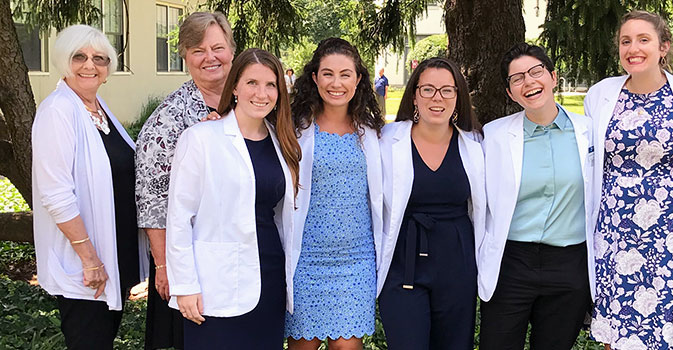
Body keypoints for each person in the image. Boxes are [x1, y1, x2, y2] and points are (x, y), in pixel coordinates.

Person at [582, 10, 673, 350]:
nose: (633, 48)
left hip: (670, 229)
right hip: (615, 230)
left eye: (643, 40)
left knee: (660, 323)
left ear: (663, 47)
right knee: (617, 327)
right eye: (626, 41)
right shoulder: (601, 94)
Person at [166, 48, 301, 349]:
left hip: (269, 277)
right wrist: (185, 286)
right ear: (235, 87)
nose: (261, 93)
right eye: (252, 82)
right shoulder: (201, 138)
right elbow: (178, 218)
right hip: (215, 284)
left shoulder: (281, 141)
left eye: (270, 85)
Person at [31, 24, 146, 350]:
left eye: (99, 58)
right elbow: (55, 195)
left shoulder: (98, 109)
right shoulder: (58, 111)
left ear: (108, 68)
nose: (89, 65)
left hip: (112, 257)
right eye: (79, 56)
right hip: (86, 266)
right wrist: (90, 259)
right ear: (64, 62)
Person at [478, 42, 594, 350]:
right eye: (517, 78)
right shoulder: (494, 136)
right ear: (510, 93)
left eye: (536, 72)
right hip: (511, 262)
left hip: (569, 265)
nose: (528, 82)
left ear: (553, 77)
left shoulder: (590, 132)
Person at [134, 12, 235, 350]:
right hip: (187, 261)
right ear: (185, 57)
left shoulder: (253, 101)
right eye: (197, 50)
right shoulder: (167, 121)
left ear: (232, 51)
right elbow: (152, 202)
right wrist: (163, 267)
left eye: (217, 47)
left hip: (241, 253)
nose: (210, 57)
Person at [377, 57, 485, 349]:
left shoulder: (476, 144)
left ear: (458, 96)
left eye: (447, 90)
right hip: (403, 262)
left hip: (457, 263)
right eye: (428, 90)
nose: (437, 98)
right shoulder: (386, 141)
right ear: (414, 95)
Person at [285, 37, 384, 350]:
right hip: (306, 259)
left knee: (346, 345)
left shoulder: (374, 132)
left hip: (356, 258)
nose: (336, 83)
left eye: (345, 74)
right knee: (304, 345)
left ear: (358, 80)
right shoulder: (293, 127)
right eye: (327, 73)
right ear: (314, 78)